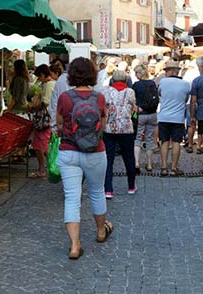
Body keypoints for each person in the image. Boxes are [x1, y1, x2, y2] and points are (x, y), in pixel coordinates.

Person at [56, 57, 113, 260]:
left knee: (72, 198)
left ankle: (74, 245)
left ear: (71, 75)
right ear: (92, 74)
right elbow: (103, 125)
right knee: (97, 192)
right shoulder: (98, 97)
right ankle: (100, 231)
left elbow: (60, 125)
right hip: (95, 152)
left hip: (69, 152)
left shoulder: (65, 97)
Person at [102, 70, 138, 198]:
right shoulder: (130, 92)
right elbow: (134, 107)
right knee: (129, 158)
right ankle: (131, 186)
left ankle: (108, 189)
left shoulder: (106, 91)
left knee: (108, 159)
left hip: (109, 128)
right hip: (126, 129)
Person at [157, 61, 190, 177]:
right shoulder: (185, 84)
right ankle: (174, 168)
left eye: (166, 71)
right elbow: (186, 99)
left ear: (170, 71)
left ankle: (164, 167)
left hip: (164, 117)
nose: (165, 73)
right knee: (176, 142)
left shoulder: (163, 82)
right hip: (178, 118)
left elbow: (159, 94)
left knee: (164, 141)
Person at [28, 64, 55, 179]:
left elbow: (45, 103)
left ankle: (52, 168)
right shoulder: (49, 84)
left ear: (43, 75)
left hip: (45, 120)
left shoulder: (49, 85)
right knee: (38, 146)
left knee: (43, 147)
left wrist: (33, 107)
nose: (39, 80)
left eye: (39, 77)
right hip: (44, 120)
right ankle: (43, 170)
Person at [132, 65, 158, 172]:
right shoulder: (152, 83)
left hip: (140, 114)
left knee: (137, 139)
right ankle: (149, 164)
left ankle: (137, 163)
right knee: (149, 139)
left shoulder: (136, 85)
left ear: (139, 73)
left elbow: (132, 100)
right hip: (152, 114)